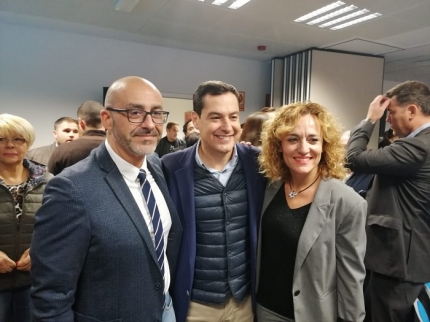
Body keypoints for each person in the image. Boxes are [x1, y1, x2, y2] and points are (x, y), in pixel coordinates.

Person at [30, 76, 183, 322]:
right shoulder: (70, 189)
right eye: (135, 112)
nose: (149, 124)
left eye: (156, 114)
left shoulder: (154, 166)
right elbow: (51, 295)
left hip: (164, 308)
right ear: (106, 119)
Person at [161, 80, 266, 322]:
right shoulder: (170, 168)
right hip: (196, 305)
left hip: (246, 302)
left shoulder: (258, 164)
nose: (227, 126)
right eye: (216, 117)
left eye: (233, 116)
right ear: (195, 121)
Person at [256, 102, 367, 322]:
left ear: (325, 145)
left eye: (313, 139)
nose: (304, 149)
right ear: (279, 145)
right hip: (264, 311)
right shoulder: (269, 188)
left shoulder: (347, 202)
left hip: (313, 315)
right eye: (293, 139)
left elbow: (351, 279)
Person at [347, 80, 430, 322]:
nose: (388, 120)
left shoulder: (418, 147)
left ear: (412, 110)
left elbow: (354, 158)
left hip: (399, 264)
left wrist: (370, 119)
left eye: (391, 113)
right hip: (407, 259)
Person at [0, 114, 52, 322]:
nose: (10, 145)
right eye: (1, 139)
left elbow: (60, 230)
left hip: (34, 283)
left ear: (28, 142)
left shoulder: (49, 182)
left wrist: (40, 251)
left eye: (18, 139)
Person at [48, 101, 106, 175]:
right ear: (105, 120)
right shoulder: (119, 148)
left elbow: (50, 182)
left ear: (81, 123)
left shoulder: (62, 151)